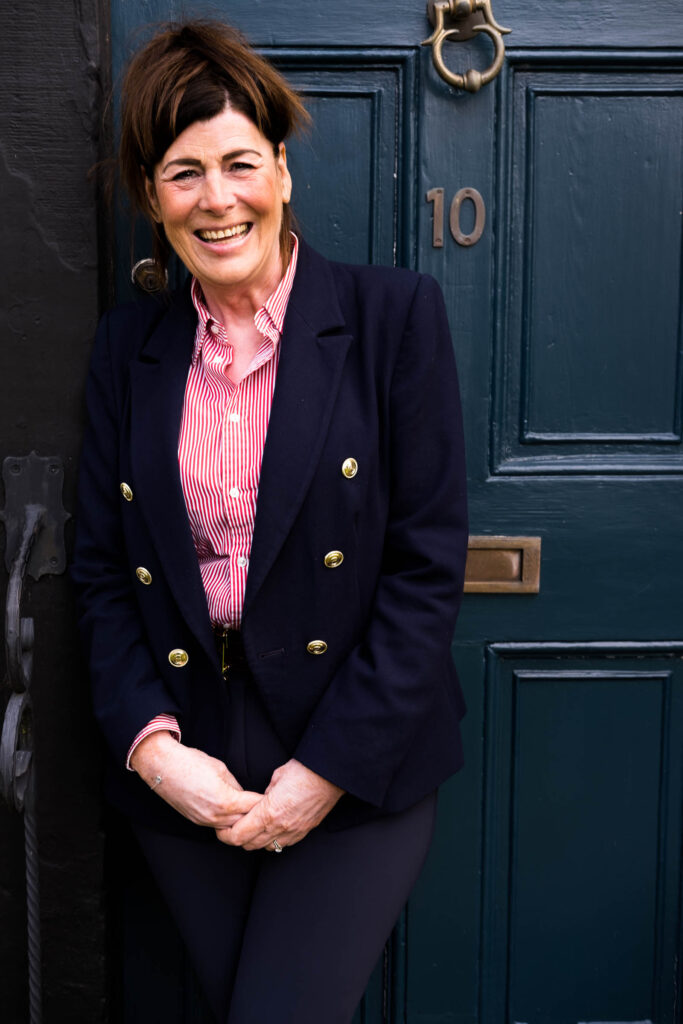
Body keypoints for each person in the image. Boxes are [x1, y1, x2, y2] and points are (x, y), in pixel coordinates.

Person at [72, 19, 468, 1024]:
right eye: (182, 172)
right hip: (186, 756)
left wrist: (323, 773)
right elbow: (102, 572)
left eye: (240, 162)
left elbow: (425, 568)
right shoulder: (129, 350)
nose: (217, 198)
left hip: (351, 745)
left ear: (282, 171)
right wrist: (156, 755)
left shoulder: (391, 319)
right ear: (151, 197)